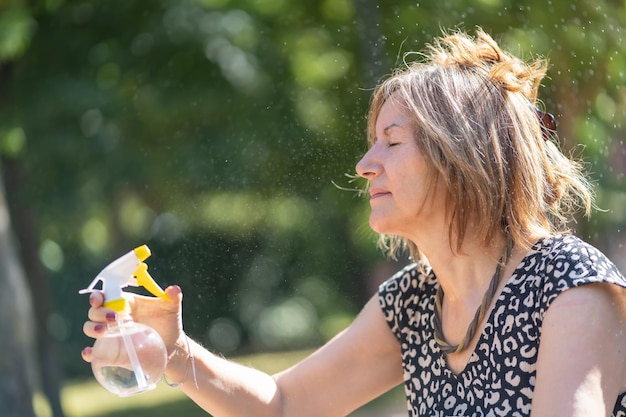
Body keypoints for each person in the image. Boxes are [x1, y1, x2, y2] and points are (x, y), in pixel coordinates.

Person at [82, 28, 626, 416]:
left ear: (461, 159)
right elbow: (285, 406)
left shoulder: (568, 287)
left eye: (392, 143)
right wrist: (175, 352)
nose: (366, 165)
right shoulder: (413, 302)